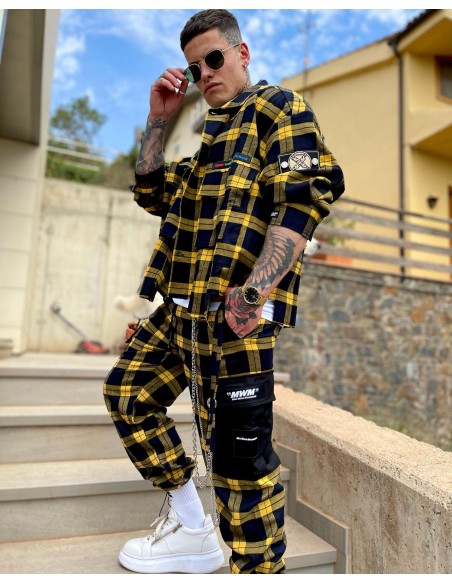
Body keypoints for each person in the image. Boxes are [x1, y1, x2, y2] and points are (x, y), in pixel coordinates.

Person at [104, 8, 344, 575]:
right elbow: (150, 190)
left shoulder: (278, 109)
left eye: (213, 58)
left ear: (242, 53)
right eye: (194, 68)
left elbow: (303, 199)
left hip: (234, 323)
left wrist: (253, 296)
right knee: (128, 394)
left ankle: (258, 570)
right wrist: (157, 119)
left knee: (240, 467)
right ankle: (192, 527)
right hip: (178, 317)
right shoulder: (207, 147)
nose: (204, 73)